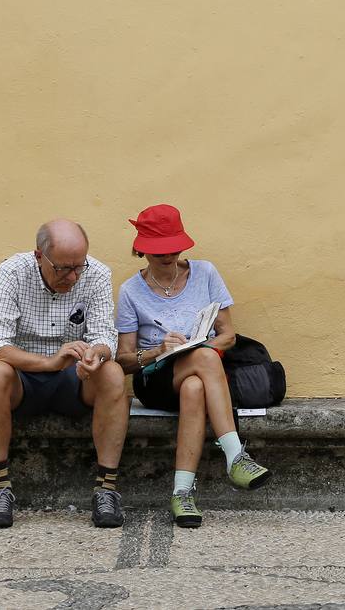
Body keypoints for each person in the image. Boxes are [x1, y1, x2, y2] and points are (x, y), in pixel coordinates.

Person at [115, 204, 271, 528]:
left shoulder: (206, 273)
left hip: (201, 372)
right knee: (203, 361)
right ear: (141, 248)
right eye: (160, 250)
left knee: (195, 385)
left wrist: (197, 347)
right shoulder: (131, 291)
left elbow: (227, 335)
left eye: (174, 248)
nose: (168, 255)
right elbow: (124, 360)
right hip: (155, 379)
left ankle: (182, 492)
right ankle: (235, 456)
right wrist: (160, 348)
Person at [0, 218, 130, 529]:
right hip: (24, 378)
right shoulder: (13, 272)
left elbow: (105, 337)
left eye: (78, 267)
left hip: (76, 378)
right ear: (39, 256)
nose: (72, 276)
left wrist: (95, 356)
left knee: (112, 373)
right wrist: (48, 363)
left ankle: (107, 489)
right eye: (62, 269)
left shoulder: (97, 273)